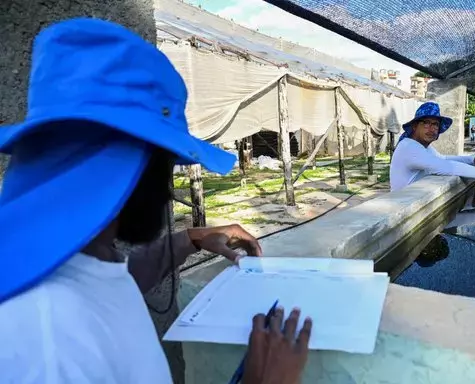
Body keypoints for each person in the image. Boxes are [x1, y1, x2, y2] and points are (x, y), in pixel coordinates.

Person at [0, 18, 310, 383]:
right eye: (165, 165)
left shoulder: (67, 262)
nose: (167, 189)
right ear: (130, 170)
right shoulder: (45, 340)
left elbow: (108, 287)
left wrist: (192, 239)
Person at [389, 102, 475, 192]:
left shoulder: (423, 147)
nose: (432, 128)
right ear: (414, 126)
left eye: (435, 124)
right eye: (426, 123)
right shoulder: (409, 147)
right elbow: (446, 167)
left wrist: (473, 159)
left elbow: (443, 159)